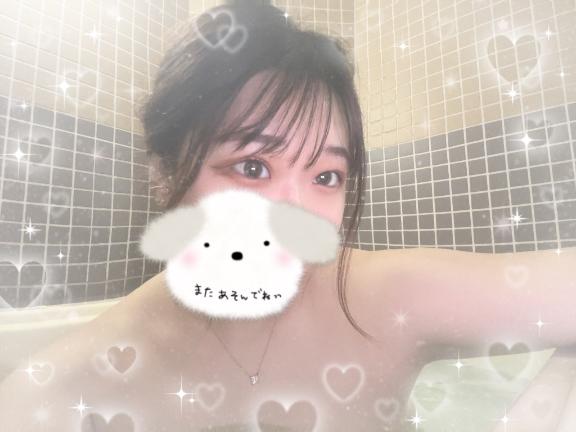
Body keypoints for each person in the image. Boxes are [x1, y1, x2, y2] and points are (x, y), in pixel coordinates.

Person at [0, 1, 575, 431]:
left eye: (327, 176)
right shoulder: (76, 382)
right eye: (252, 167)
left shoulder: (388, 298)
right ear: (164, 173)